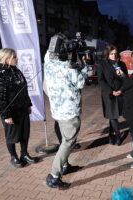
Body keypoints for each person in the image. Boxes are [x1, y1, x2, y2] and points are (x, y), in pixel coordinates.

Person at [44, 33, 88, 189]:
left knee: (65, 140)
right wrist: (83, 64)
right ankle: (54, 176)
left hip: (57, 110)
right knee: (67, 143)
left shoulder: (47, 60)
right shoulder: (68, 67)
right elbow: (81, 82)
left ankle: (64, 166)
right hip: (69, 112)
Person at [0, 48, 39, 168]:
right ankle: (14, 157)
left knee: (24, 134)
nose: (17, 59)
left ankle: (24, 154)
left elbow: (24, 89)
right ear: (7, 59)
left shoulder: (16, 70)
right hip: (11, 112)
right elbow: (0, 98)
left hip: (22, 109)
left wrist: (28, 105)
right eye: (14, 57)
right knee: (11, 136)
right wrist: (6, 115)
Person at [98, 45, 128, 145]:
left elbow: (125, 79)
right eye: (111, 54)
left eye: (115, 54)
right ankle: (118, 137)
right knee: (113, 116)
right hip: (109, 94)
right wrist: (111, 91)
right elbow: (101, 80)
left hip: (119, 93)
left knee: (115, 115)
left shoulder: (120, 64)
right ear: (107, 54)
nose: (114, 56)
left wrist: (121, 90)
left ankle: (111, 136)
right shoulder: (102, 64)